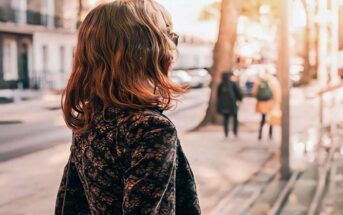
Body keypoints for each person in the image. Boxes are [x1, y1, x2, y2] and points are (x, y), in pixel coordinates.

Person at [54, 1, 201, 214]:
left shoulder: (92, 118)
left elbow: (69, 202)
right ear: (145, 53)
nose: (173, 50)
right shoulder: (151, 129)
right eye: (169, 37)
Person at [252, 69, 281, 140]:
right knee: (271, 118)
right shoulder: (273, 80)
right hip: (270, 102)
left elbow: (254, 92)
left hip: (261, 103)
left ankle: (260, 134)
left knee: (263, 118)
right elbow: (277, 93)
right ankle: (270, 134)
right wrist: (277, 102)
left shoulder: (259, 80)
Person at [217, 72, 243, 138]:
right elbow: (238, 93)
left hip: (224, 106)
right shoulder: (232, 84)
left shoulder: (221, 85)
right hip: (232, 105)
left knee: (226, 119)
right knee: (235, 118)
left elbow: (218, 96)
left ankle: (226, 133)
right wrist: (240, 99)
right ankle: (235, 132)